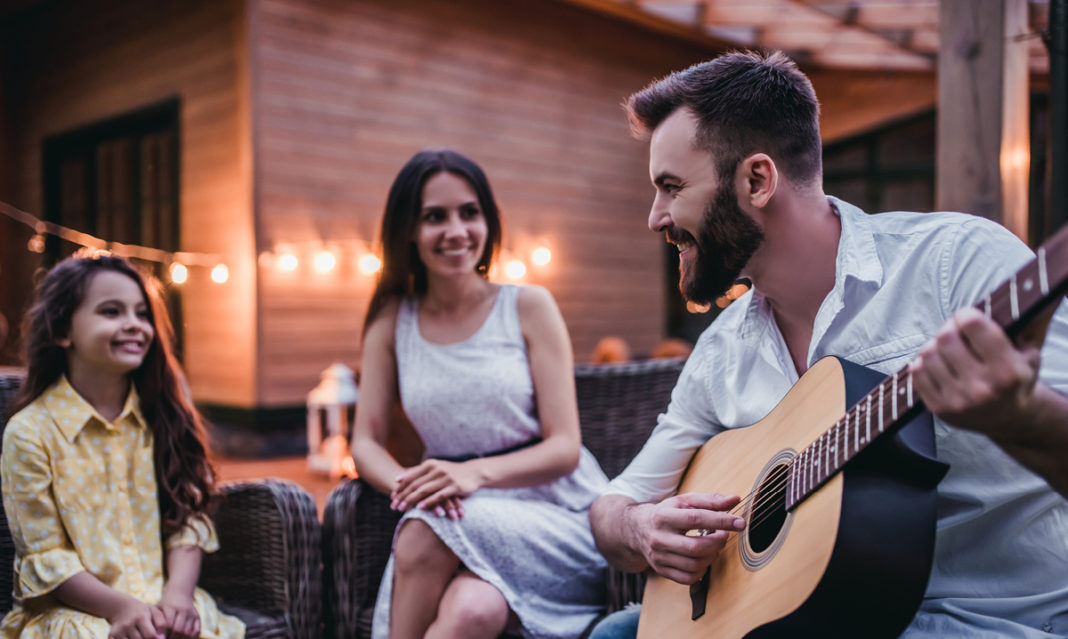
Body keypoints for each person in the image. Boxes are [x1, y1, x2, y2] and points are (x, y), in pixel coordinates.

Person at [588, 51, 1068, 638]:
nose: (655, 217)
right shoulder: (720, 353)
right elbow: (612, 506)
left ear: (757, 181)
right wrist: (641, 529)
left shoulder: (956, 265)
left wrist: (1020, 417)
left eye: (670, 187)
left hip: (989, 620)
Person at [351, 149, 608, 639]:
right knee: (473, 613)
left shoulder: (529, 306)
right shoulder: (391, 322)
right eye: (434, 217)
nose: (456, 231)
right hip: (454, 508)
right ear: (408, 229)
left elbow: (564, 447)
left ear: (488, 221)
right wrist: (411, 489)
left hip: (553, 514)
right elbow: (364, 440)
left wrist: (471, 475)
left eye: (470, 213)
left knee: (424, 531)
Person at [0, 253, 244, 639]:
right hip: (78, 614)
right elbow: (46, 556)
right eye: (111, 312)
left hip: (162, 601)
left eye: (142, 313)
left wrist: (178, 596)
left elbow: (187, 518)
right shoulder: (30, 433)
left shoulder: (161, 417)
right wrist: (123, 608)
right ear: (63, 331)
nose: (134, 325)